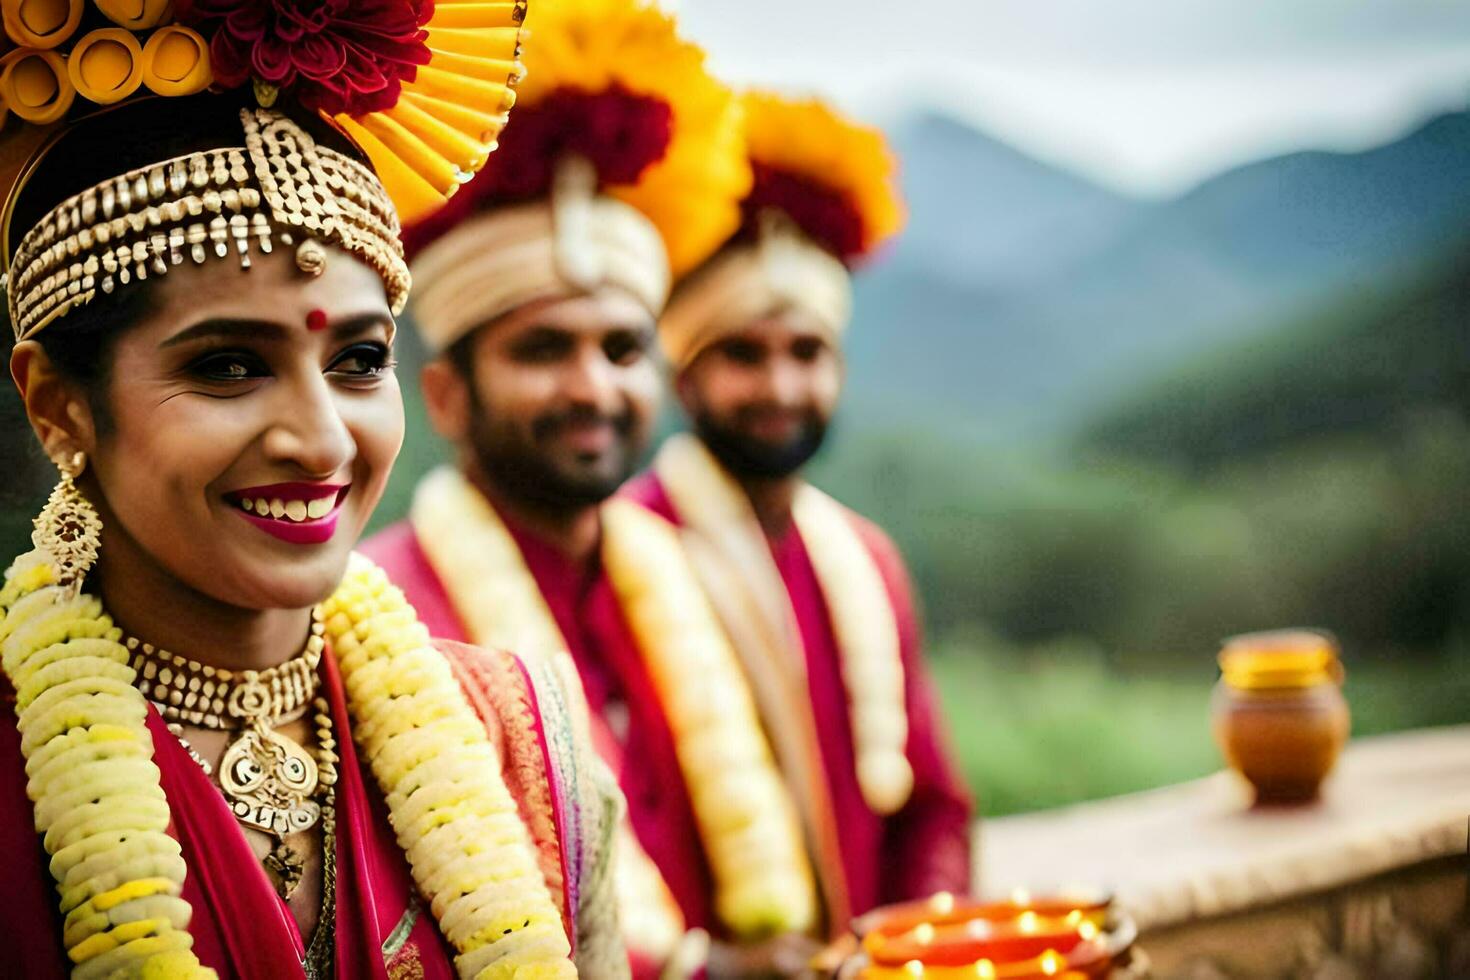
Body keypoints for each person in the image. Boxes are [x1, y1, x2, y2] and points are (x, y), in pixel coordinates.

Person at [0, 5, 628, 976]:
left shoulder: (521, 744)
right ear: (58, 405)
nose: (322, 436)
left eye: (360, 359)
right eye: (228, 366)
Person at [360, 2, 824, 975]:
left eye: (622, 347)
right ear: (444, 393)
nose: (594, 386)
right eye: (543, 348)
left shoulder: (707, 574)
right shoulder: (387, 625)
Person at [625, 92, 975, 946]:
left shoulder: (863, 557)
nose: (781, 388)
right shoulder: (627, 556)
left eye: (806, 353)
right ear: (684, 381)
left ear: (840, 369)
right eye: (743, 354)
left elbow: (932, 807)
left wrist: (917, 944)